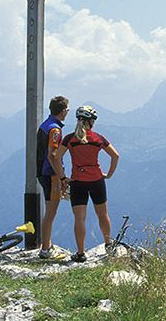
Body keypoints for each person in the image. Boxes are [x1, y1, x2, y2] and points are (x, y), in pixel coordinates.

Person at [52, 105, 120, 263]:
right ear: (91, 122)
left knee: (79, 218)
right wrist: (108, 175)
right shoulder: (98, 138)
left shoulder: (69, 139)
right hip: (97, 181)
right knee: (102, 215)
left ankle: (81, 253)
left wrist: (63, 178)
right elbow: (115, 156)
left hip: (78, 182)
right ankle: (108, 245)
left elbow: (56, 157)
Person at [36, 95, 70, 260]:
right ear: (62, 111)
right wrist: (62, 177)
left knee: (49, 211)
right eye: (67, 109)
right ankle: (45, 249)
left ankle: (47, 244)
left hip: (42, 172)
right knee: (51, 212)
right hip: (51, 175)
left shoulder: (45, 125)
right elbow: (53, 155)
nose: (67, 112)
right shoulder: (55, 130)